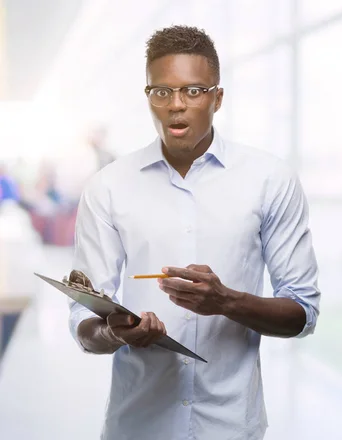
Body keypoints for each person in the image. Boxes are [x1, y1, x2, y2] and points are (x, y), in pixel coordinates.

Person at [69, 25, 321, 440]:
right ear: (148, 96)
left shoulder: (270, 180)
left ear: (217, 98)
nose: (175, 106)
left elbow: (302, 313)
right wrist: (116, 330)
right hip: (137, 423)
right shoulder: (108, 186)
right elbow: (84, 319)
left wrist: (226, 300)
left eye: (193, 91)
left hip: (230, 425)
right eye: (161, 92)